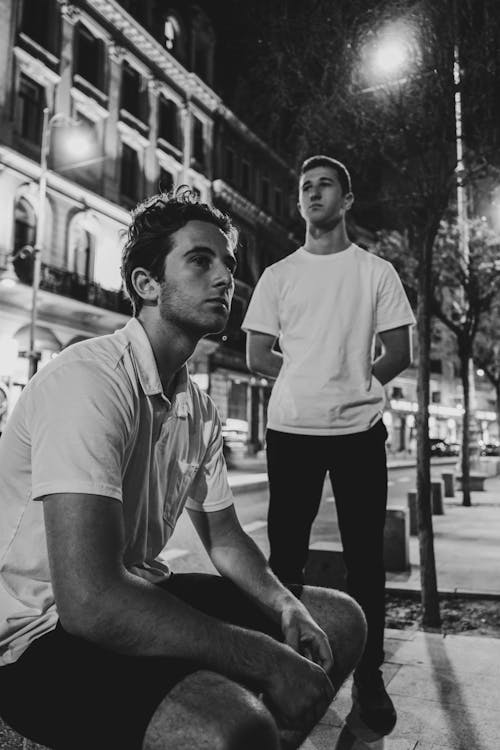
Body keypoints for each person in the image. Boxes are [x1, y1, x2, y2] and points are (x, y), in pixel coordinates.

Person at [0, 190, 367, 750]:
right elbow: (90, 601)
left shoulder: (196, 405)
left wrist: (285, 607)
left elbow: (223, 538)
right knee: (230, 726)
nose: (226, 279)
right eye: (201, 261)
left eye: (228, 264)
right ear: (147, 284)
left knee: (338, 623)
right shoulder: (90, 381)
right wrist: (262, 656)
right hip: (35, 632)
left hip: (135, 592)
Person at [243, 156, 416, 736]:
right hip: (291, 432)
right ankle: (281, 674)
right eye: (305, 188)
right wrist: (306, 376)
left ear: (346, 200)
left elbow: (398, 352)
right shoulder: (279, 275)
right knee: (283, 560)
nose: (312, 194)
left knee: (366, 562)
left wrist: (352, 382)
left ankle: (368, 679)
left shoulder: (375, 272)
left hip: (360, 435)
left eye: (324, 186)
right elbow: (256, 354)